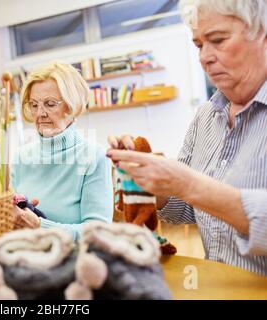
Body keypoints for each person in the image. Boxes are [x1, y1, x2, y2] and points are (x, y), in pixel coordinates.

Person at [106, 0, 267, 275]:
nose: (205, 57)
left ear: (262, 35)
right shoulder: (206, 116)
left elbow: (194, 191)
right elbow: (187, 209)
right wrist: (150, 181)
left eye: (218, 40)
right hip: (216, 286)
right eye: (199, 45)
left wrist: (189, 184)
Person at [10, 62, 113, 241]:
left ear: (72, 106)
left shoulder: (94, 156)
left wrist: (40, 226)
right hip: (26, 258)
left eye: (50, 104)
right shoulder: (20, 157)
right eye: (34, 105)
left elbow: (98, 232)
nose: (40, 113)